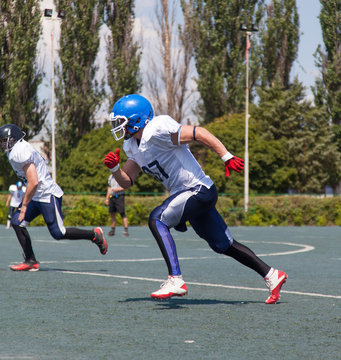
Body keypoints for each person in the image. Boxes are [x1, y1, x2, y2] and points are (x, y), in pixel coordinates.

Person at [104, 94, 288, 304]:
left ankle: (175, 280)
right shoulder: (132, 146)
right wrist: (115, 169)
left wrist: (225, 155)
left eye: (122, 122)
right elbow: (126, 181)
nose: (119, 127)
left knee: (157, 219)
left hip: (198, 189)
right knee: (223, 245)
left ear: (137, 120)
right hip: (190, 195)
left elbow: (199, 133)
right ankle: (272, 274)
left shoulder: (157, 129)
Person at [0, 124, 108, 272]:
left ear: (14, 139)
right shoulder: (14, 151)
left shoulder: (20, 150)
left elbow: (34, 181)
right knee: (17, 222)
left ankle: (95, 235)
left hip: (46, 194)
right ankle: (30, 261)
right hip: (36, 195)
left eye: (5, 140)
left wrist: (24, 206)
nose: (3, 144)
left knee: (59, 233)